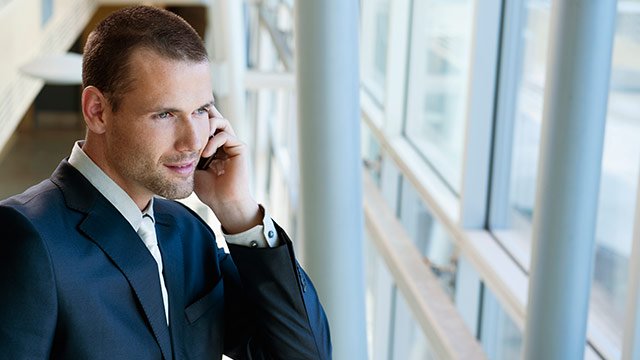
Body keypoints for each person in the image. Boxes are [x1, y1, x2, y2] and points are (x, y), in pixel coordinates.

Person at [0, 5, 331, 359]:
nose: (192, 142)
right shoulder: (27, 237)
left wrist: (240, 213)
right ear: (97, 111)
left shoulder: (188, 234)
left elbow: (304, 353)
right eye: (165, 114)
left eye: (202, 110)